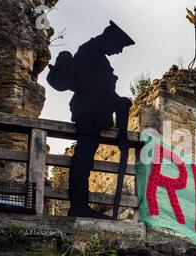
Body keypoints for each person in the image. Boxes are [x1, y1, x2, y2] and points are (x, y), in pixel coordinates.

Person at [47, 21, 135, 219]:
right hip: (88, 114)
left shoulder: (97, 56)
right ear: (110, 39)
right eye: (119, 47)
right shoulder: (88, 52)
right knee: (83, 160)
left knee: (85, 159)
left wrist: (120, 109)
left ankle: (81, 206)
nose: (119, 52)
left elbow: (102, 90)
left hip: (94, 114)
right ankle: (79, 207)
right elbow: (94, 89)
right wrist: (117, 101)